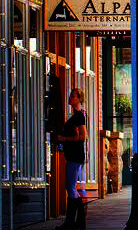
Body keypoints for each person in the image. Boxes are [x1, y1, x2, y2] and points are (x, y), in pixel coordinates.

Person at [56, 87, 87, 229]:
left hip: (76, 156)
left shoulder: (79, 116)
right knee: (70, 187)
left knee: (70, 187)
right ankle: (76, 222)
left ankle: (73, 222)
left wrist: (64, 138)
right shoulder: (75, 115)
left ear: (79, 99)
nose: (71, 98)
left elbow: (83, 136)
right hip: (72, 155)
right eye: (70, 96)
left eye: (74, 96)